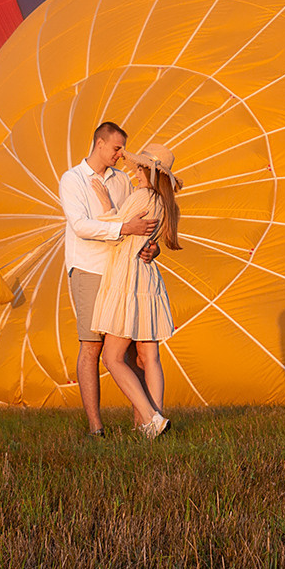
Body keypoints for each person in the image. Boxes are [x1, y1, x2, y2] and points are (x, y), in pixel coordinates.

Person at [57, 122, 160, 438]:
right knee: (91, 345)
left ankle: (143, 422)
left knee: (129, 347)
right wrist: (123, 229)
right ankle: (96, 428)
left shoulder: (121, 181)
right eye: (117, 149)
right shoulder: (73, 180)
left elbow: (137, 220)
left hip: (121, 269)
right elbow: (81, 226)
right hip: (88, 268)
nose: (121, 155)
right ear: (99, 143)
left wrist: (150, 247)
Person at [90, 143, 181, 437]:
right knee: (149, 357)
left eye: (140, 166)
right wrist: (152, 248)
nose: (135, 169)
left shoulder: (142, 195)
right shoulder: (165, 203)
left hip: (127, 277)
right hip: (149, 280)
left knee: (112, 357)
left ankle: (151, 418)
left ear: (147, 170)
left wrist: (105, 202)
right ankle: (151, 424)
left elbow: (114, 228)